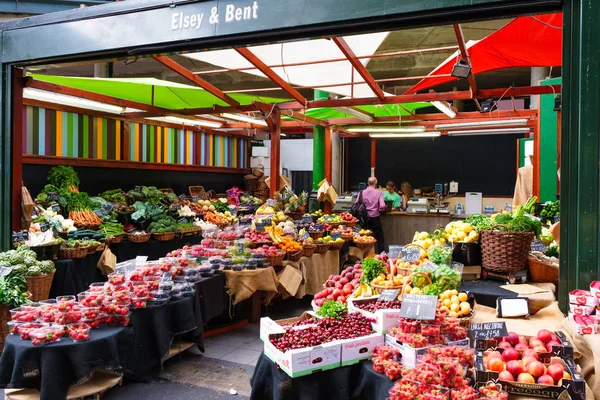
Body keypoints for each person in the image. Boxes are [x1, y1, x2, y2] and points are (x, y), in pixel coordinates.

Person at [356, 176, 387, 253]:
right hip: (375, 218)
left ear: (367, 183)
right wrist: (380, 209)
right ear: (376, 183)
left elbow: (356, 203)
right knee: (380, 238)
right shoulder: (379, 193)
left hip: (364, 219)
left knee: (363, 238)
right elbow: (382, 206)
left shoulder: (361, 192)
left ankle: (363, 255)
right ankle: (380, 255)